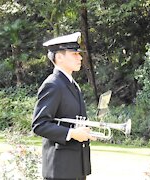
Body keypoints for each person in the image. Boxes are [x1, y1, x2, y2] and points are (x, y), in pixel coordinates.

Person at [31, 32, 97, 180]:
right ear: (59, 57)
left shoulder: (72, 84)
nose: (80, 57)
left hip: (75, 167)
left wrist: (84, 132)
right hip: (60, 169)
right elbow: (39, 124)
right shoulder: (53, 84)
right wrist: (72, 133)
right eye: (74, 54)